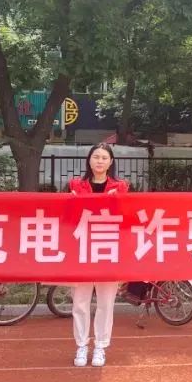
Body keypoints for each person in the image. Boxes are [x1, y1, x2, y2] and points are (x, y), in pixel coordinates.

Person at [68, 143, 130, 368]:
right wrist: (71, 202)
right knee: (80, 302)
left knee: (105, 302)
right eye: (96, 157)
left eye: (104, 157)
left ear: (111, 162)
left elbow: (125, 216)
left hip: (108, 249)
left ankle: (100, 346)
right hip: (82, 250)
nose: (100, 161)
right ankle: (81, 344)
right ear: (89, 160)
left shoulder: (120, 186)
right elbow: (68, 217)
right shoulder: (76, 185)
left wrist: (116, 201)